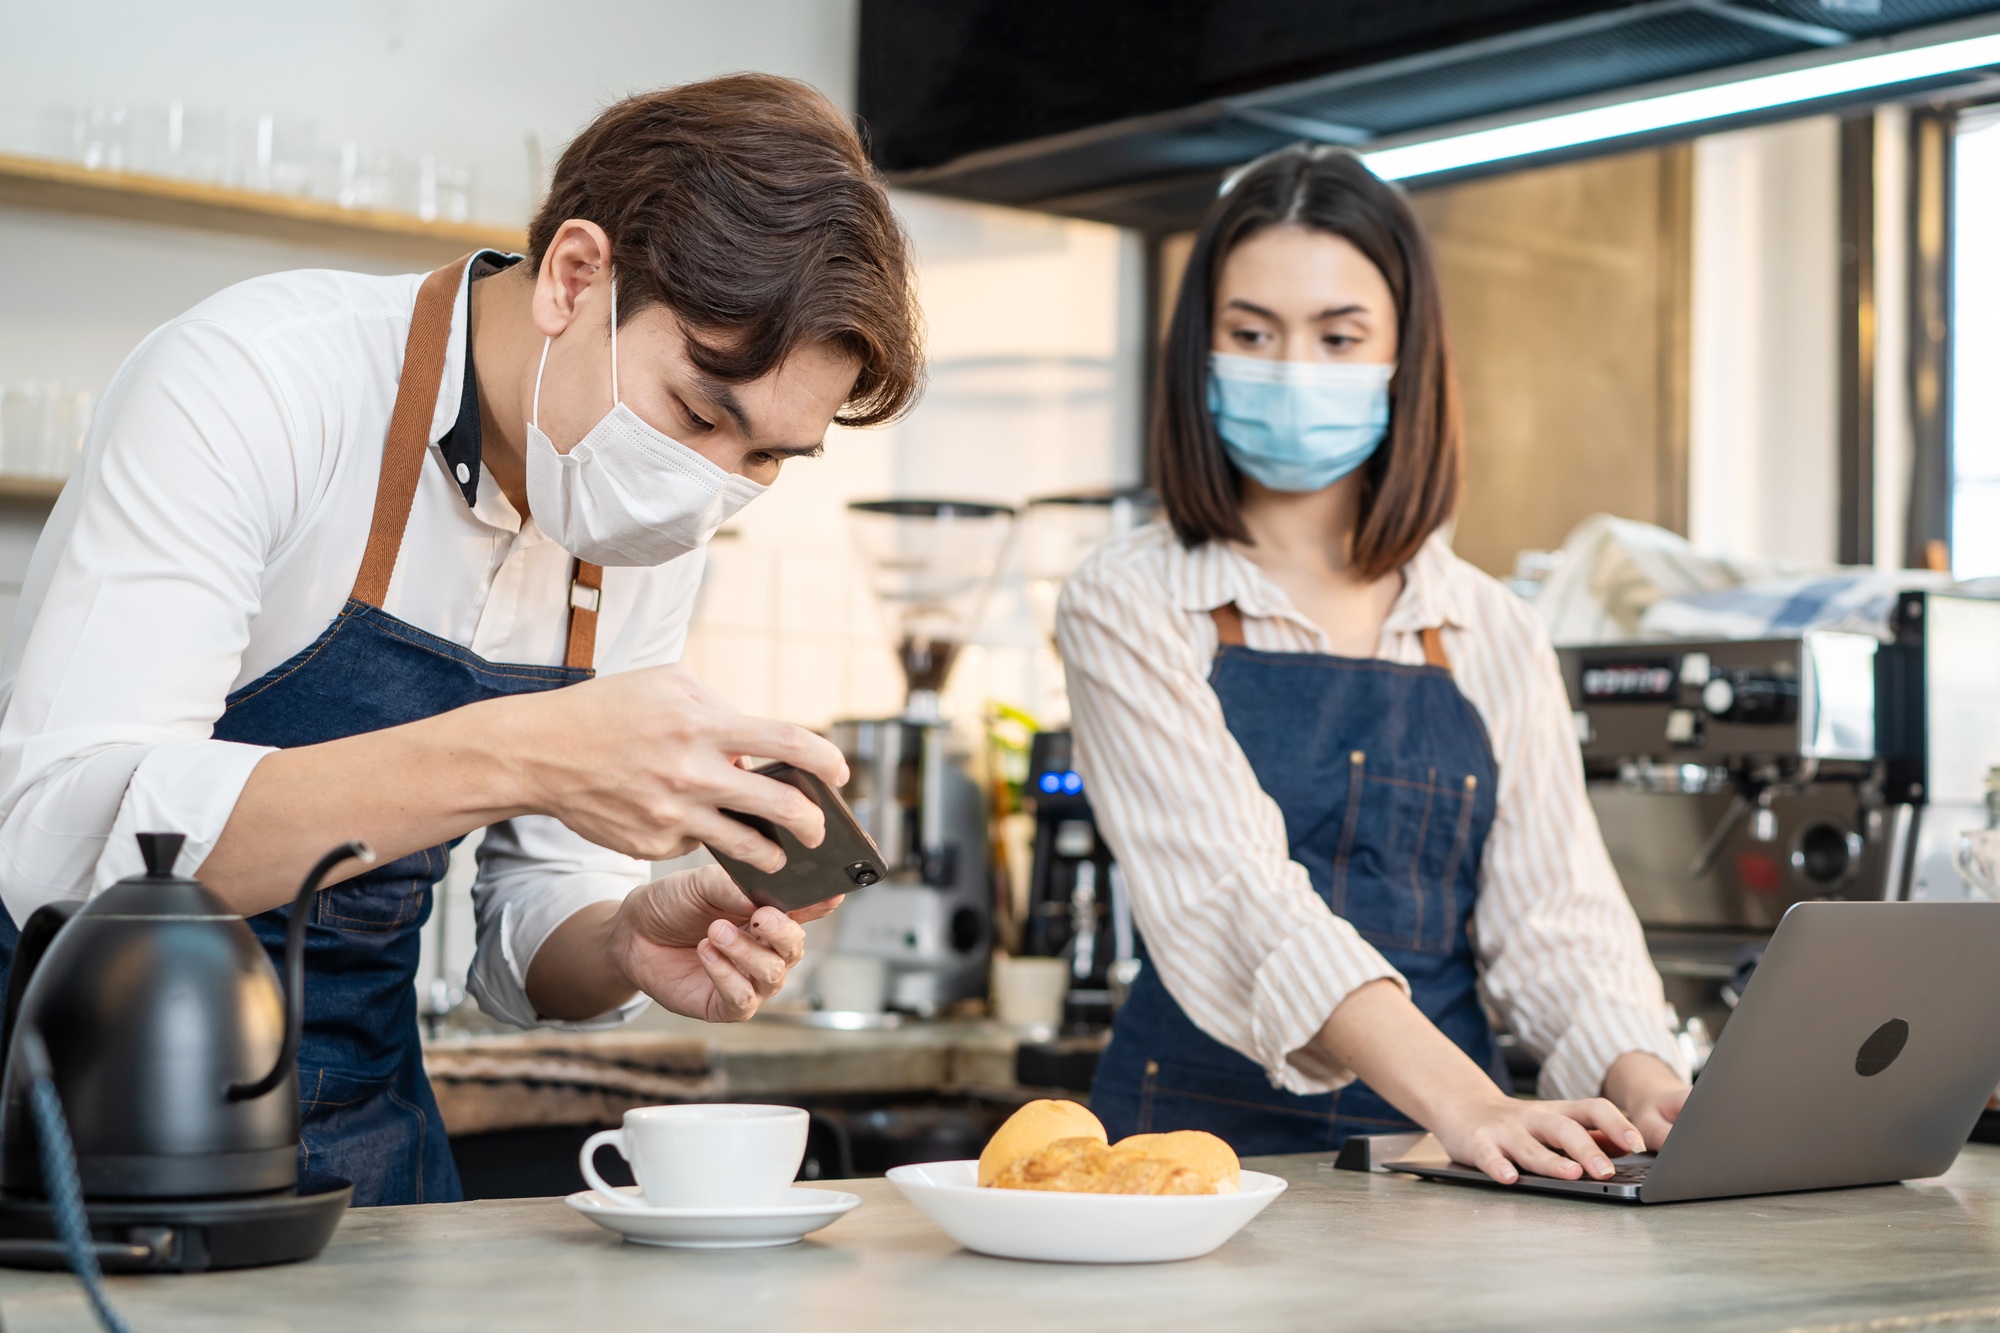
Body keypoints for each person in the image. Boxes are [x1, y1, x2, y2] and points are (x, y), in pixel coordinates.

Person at [0, 75, 922, 1206]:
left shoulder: (648, 523)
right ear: (576, 280)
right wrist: (532, 750)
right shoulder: (257, 382)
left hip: (364, 1127)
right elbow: (58, 838)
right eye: (697, 413)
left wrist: (631, 934)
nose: (707, 491)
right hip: (86, 1104)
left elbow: (527, 928)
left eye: (767, 458)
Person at [1057, 146, 1691, 1187]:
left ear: (1404, 354)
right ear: (1199, 352)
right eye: (1251, 334)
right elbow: (1235, 895)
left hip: (1453, 1166)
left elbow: (1558, 922)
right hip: (1193, 1163)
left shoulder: (1488, 625)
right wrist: (1469, 1101)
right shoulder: (1127, 599)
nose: (1295, 369)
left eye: (1337, 335)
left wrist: (1644, 1079)